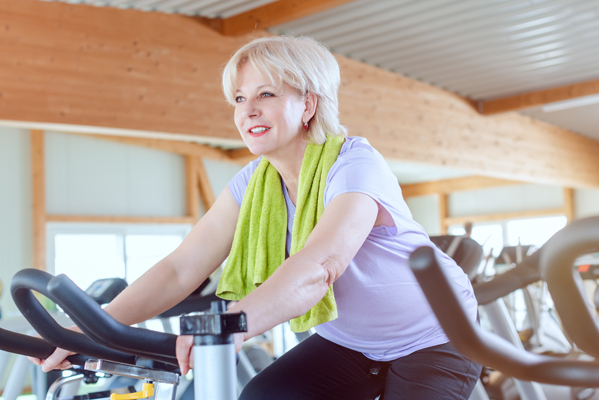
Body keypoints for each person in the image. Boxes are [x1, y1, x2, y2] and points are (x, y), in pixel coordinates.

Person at [30, 35, 481, 399]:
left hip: (436, 334)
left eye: (266, 94)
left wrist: (231, 327)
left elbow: (321, 266)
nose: (248, 110)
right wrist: (91, 327)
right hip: (353, 343)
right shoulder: (253, 184)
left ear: (308, 105)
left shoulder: (355, 164)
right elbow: (180, 268)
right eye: (240, 98)